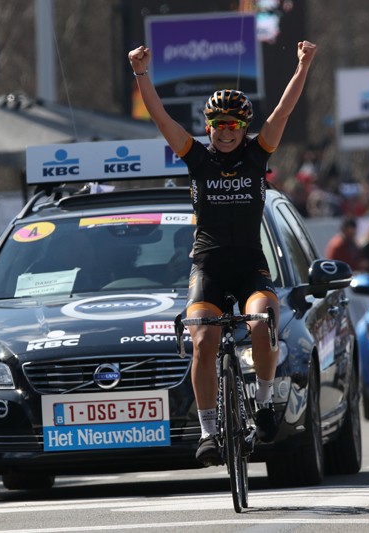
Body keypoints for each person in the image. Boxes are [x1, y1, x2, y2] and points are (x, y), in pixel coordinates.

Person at [128, 39, 317, 466]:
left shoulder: (257, 154)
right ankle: (209, 432)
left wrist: (303, 65)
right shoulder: (196, 158)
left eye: (234, 125)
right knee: (203, 339)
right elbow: (161, 118)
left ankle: (265, 403)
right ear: (208, 126)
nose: (226, 131)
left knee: (263, 321)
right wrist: (141, 74)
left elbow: (283, 111)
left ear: (244, 127)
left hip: (250, 266)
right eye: (218, 124)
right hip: (208, 267)